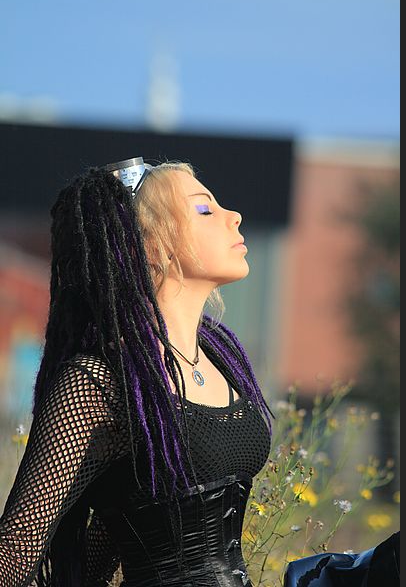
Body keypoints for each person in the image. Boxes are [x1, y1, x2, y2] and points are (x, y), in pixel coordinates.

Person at [0, 157, 275, 586]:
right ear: (149, 245)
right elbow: (14, 554)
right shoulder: (100, 383)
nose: (234, 216)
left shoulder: (223, 357)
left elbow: (116, 536)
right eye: (205, 209)